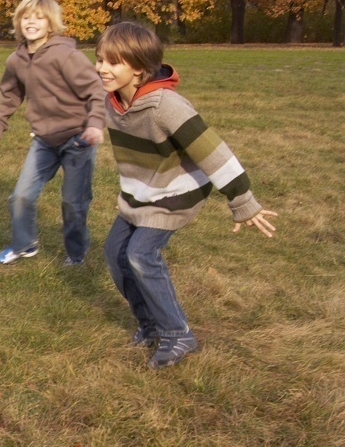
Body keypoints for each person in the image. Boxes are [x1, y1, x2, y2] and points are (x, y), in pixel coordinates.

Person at [95, 21, 277, 369]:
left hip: (176, 193)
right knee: (114, 253)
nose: (102, 68)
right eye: (100, 59)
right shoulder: (113, 100)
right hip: (140, 193)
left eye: (112, 62)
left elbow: (213, 152)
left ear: (138, 69)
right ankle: (149, 324)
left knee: (140, 255)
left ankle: (178, 334)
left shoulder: (167, 106)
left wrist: (242, 200)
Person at [0, 0, 106, 266]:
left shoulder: (65, 55)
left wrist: (96, 122)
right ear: (18, 22)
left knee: (73, 203)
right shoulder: (15, 60)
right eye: (26, 17)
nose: (31, 22)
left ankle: (76, 255)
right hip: (44, 141)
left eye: (39, 18)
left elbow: (95, 89)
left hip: (78, 139)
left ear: (51, 25)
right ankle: (24, 244)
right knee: (21, 196)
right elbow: (9, 95)